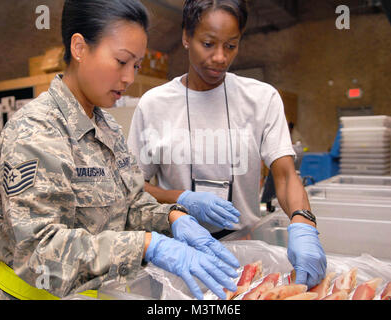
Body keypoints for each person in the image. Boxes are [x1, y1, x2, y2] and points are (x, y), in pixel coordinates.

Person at [0, 0, 240, 301]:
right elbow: (39, 251)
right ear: (80, 48)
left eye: (136, 65)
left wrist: (173, 218)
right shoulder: (36, 130)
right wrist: (148, 245)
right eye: (121, 61)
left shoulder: (107, 126)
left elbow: (130, 204)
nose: (129, 78)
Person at [128, 0, 327, 289]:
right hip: (180, 256)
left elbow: (284, 176)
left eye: (231, 46)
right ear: (185, 37)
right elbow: (134, 187)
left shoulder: (261, 99)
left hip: (245, 254)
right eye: (208, 44)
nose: (220, 57)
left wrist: (303, 222)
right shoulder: (154, 105)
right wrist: (180, 198)